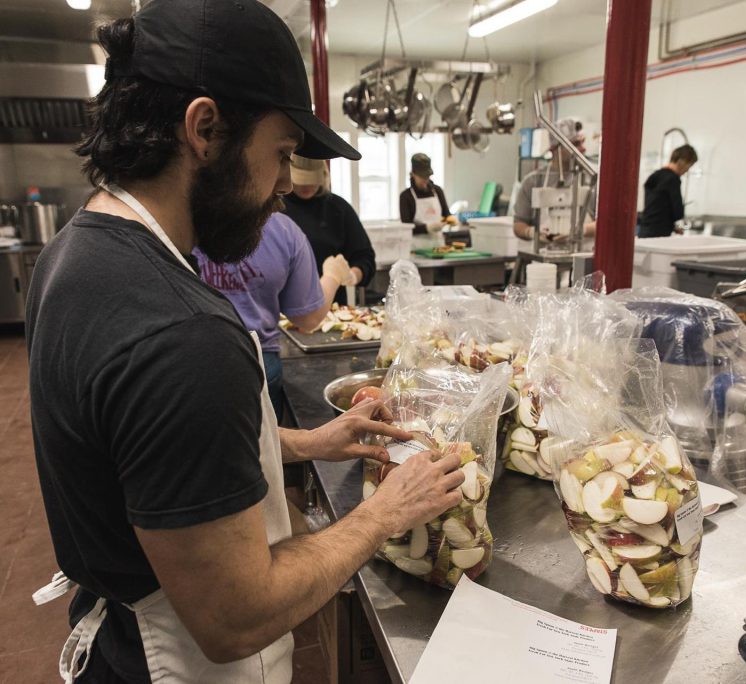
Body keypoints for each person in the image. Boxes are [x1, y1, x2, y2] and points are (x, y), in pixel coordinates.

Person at [24, 2, 464, 682]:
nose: (286, 187)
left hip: (114, 640)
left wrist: (307, 442)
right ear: (205, 128)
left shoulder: (73, 255)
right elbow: (236, 617)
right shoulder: (185, 334)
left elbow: (149, 457)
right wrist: (383, 513)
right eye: (282, 154)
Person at [195, 212, 348, 421]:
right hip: (258, 360)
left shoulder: (182, 217)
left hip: (192, 356)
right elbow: (308, 318)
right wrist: (333, 275)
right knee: (263, 447)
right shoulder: (282, 229)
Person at [282, 155, 375, 304]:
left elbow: (364, 257)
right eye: (302, 181)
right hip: (282, 307)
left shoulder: (338, 209)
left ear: (324, 175)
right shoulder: (274, 209)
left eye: (313, 181)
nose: (307, 186)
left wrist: (352, 275)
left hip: (332, 309)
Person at [513, 117, 597, 245]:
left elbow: (607, 224)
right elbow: (518, 224)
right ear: (555, 149)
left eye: (582, 142)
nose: (582, 149)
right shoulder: (534, 181)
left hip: (583, 259)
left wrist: (582, 230)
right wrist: (532, 233)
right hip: (544, 259)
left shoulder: (592, 179)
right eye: (574, 145)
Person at [638, 144, 698, 238]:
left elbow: (657, 207)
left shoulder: (655, 175)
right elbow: (677, 209)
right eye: (688, 166)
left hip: (644, 230)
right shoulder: (673, 179)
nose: (687, 170)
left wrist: (672, 226)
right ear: (681, 161)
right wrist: (677, 223)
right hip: (659, 234)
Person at [399, 153, 457, 236]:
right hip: (416, 245)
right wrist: (427, 228)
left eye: (427, 176)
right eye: (422, 176)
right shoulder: (406, 196)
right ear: (413, 174)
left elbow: (446, 214)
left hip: (438, 244)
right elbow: (406, 227)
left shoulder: (438, 191)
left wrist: (451, 220)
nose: (425, 180)